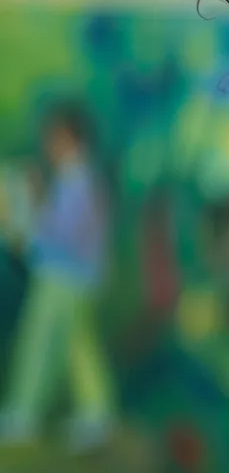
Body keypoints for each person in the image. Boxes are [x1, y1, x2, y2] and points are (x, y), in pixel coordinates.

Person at [0, 105, 116, 451]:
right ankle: (97, 415)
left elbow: (63, 236)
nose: (48, 145)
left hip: (64, 277)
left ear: (68, 137)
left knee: (39, 343)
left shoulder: (77, 179)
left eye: (53, 137)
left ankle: (24, 414)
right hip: (75, 277)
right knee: (78, 349)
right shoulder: (79, 178)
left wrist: (25, 215)